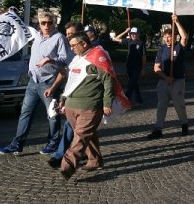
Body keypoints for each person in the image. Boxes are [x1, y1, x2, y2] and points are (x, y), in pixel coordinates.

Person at [0, 12, 68, 155]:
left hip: (49, 81)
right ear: (39, 24)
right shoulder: (37, 36)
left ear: (54, 23)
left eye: (49, 22)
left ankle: (53, 143)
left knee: (52, 115)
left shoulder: (59, 38)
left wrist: (50, 60)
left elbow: (65, 60)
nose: (46, 25)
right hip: (33, 81)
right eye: (43, 23)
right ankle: (17, 145)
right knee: (25, 113)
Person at [57, 32, 116, 180]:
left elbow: (108, 80)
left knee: (80, 137)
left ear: (84, 43)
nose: (71, 49)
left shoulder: (98, 56)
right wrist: (63, 98)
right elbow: (71, 80)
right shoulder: (77, 59)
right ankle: (95, 160)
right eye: (70, 46)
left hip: (89, 105)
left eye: (73, 45)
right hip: (71, 104)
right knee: (88, 134)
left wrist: (107, 102)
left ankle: (67, 166)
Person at [47, 21, 84, 169]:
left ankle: (60, 156)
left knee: (73, 127)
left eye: (71, 34)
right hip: (71, 95)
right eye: (67, 34)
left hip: (84, 98)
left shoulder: (92, 52)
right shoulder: (70, 51)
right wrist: (56, 90)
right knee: (76, 128)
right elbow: (65, 73)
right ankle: (91, 156)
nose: (68, 37)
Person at [147, 15, 189, 139]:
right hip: (164, 82)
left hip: (178, 81)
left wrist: (177, 22)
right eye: (165, 37)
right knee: (161, 106)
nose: (166, 39)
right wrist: (165, 78)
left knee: (179, 105)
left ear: (174, 37)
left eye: (169, 36)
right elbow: (156, 68)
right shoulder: (161, 50)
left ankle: (184, 124)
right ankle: (158, 129)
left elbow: (184, 36)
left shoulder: (179, 47)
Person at [113, 27, 147, 106]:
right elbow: (115, 39)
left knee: (131, 84)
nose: (133, 35)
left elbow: (144, 56)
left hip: (137, 66)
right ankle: (139, 101)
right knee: (134, 83)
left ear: (138, 34)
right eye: (132, 34)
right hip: (129, 66)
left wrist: (143, 68)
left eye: (135, 34)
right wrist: (125, 31)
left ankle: (126, 100)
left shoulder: (141, 43)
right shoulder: (128, 41)